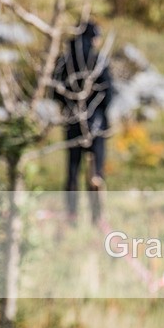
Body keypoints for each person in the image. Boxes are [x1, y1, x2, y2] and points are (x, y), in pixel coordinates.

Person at [54, 20, 113, 223]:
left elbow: (56, 91)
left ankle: (71, 215)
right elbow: (108, 93)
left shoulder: (65, 61)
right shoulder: (98, 60)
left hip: (72, 123)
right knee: (95, 172)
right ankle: (97, 217)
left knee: (72, 170)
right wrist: (100, 114)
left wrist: (69, 108)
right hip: (96, 125)